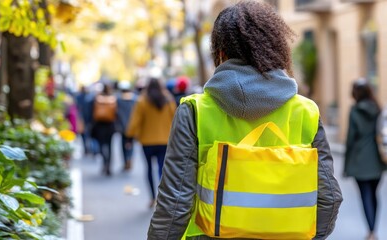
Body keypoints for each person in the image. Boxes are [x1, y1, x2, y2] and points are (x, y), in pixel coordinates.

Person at [147, 1, 342, 239]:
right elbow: (329, 198)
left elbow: (175, 202)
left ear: (221, 53)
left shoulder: (195, 111)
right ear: (275, 48)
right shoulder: (306, 111)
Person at [344, 79, 385, 240]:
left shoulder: (354, 111)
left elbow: (350, 140)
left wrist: (346, 166)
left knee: (365, 195)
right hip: (377, 160)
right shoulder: (378, 109)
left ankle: (371, 232)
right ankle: (373, 228)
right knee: (374, 194)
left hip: (359, 161)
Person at [126, 77, 176, 208]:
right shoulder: (168, 100)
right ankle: (163, 197)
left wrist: (129, 137)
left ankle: (152, 198)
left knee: (148, 169)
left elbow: (135, 121)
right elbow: (176, 118)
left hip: (147, 141)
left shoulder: (142, 101)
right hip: (165, 140)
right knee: (162, 169)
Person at [91, 84, 117, 176]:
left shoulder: (97, 98)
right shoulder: (113, 99)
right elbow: (116, 113)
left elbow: (91, 111)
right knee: (110, 147)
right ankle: (108, 165)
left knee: (101, 145)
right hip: (110, 126)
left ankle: (104, 162)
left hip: (100, 126)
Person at [116, 81, 137, 171]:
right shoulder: (135, 99)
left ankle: (125, 161)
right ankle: (129, 158)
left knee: (123, 144)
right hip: (132, 126)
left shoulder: (118, 100)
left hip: (122, 127)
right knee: (131, 144)